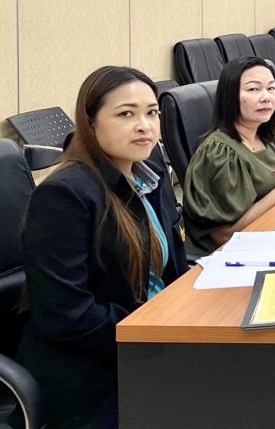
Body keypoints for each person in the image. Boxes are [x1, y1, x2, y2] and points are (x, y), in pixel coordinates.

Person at [18, 66, 188, 428]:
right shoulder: (64, 195)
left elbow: (170, 272)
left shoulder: (149, 173)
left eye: (152, 113)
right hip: (94, 374)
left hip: (154, 342)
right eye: (126, 114)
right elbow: (68, 314)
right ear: (90, 122)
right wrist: (150, 335)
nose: (144, 126)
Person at [183, 57, 275, 256]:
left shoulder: (266, 137)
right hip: (229, 255)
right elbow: (224, 236)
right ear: (230, 96)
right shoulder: (219, 153)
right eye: (253, 89)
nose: (266, 97)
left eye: (271, 88)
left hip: (270, 234)